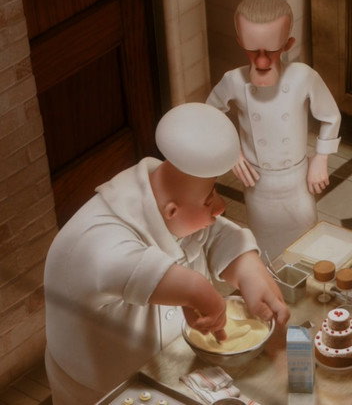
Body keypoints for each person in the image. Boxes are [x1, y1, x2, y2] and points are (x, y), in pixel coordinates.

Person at [43, 103, 290, 404]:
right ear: (172, 210)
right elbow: (137, 269)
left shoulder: (170, 206)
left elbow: (211, 234)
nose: (221, 207)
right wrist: (197, 291)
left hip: (167, 370)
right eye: (209, 199)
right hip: (103, 388)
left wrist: (248, 269)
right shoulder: (93, 242)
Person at [207, 0, 341, 259]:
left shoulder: (303, 76)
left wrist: (321, 158)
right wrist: (232, 152)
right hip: (258, 184)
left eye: (271, 51)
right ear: (240, 42)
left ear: (288, 44)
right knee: (265, 245)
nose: (262, 61)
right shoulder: (233, 81)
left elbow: (331, 116)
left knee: (306, 241)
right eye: (253, 51)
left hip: (298, 180)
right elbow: (209, 115)